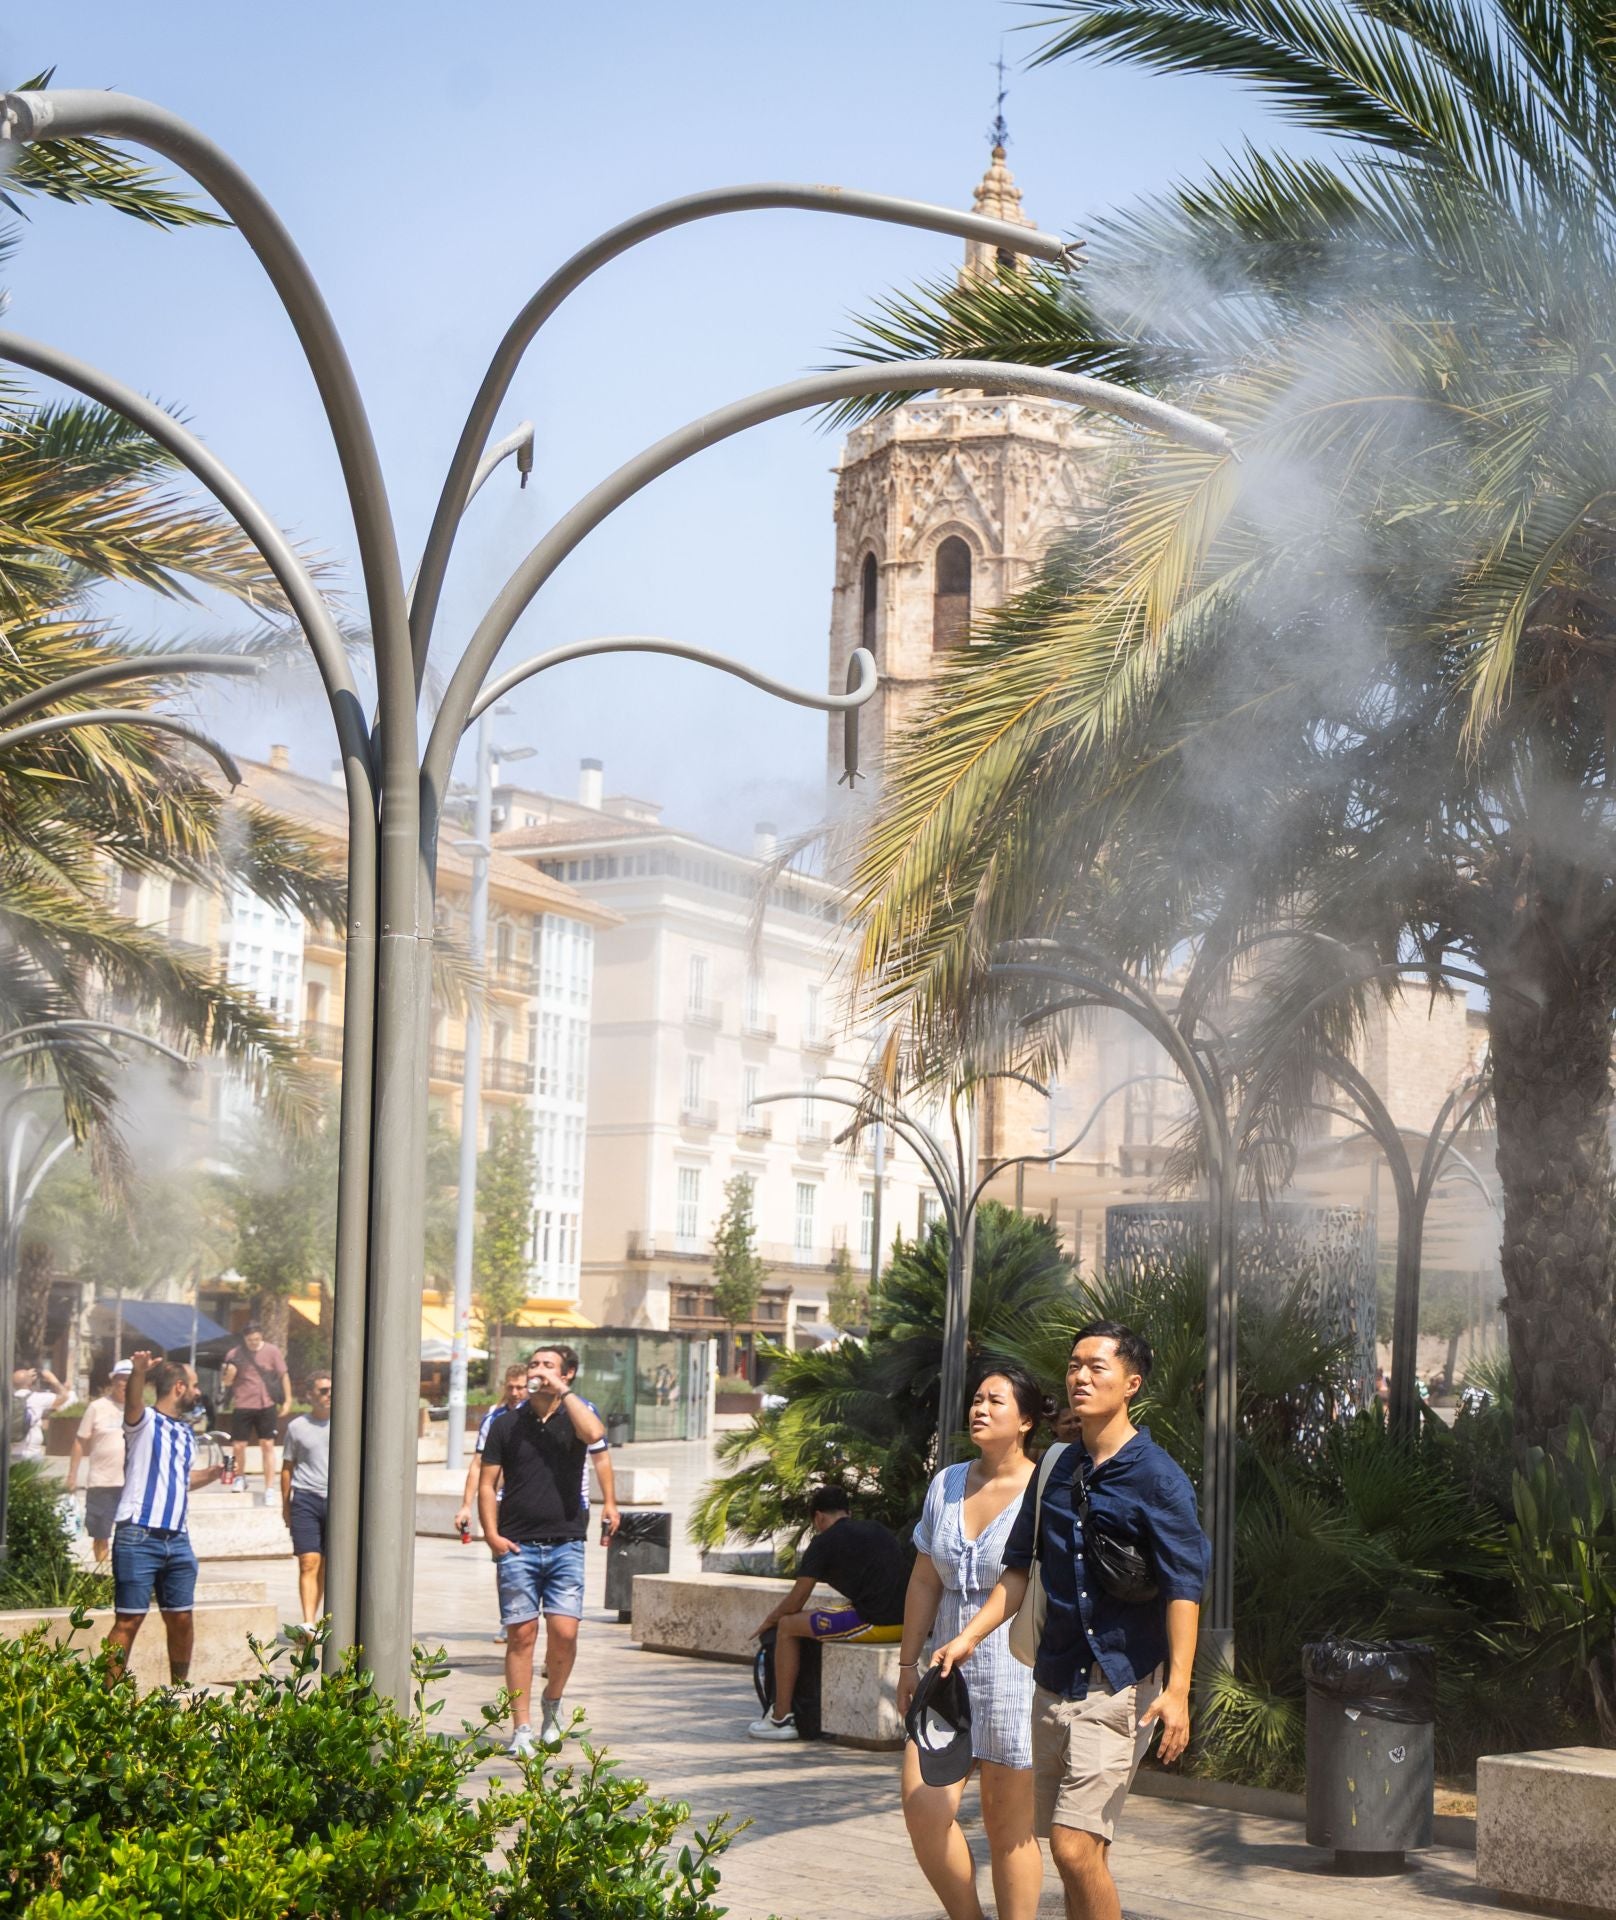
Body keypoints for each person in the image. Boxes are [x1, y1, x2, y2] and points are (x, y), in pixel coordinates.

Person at [931, 1322, 1209, 1920]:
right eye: (1074, 1365)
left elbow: (1185, 1585)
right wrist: (967, 1638)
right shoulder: (1055, 1468)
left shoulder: (1158, 1478)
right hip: (1052, 1681)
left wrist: (1180, 1689)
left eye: (1097, 1367)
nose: (1081, 1377)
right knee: (1070, 1853)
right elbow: (1017, 1574)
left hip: (1119, 1685)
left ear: (1131, 1384)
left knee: (1075, 1846)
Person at [897, 1366, 1043, 1920]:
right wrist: (908, 1662)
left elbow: (1024, 1581)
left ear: (1025, 1420)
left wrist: (968, 1638)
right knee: (924, 1808)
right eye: (976, 1399)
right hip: (944, 1671)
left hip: (1015, 1669)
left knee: (1009, 1831)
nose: (979, 1408)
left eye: (995, 1401)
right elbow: (924, 1577)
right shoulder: (948, 1483)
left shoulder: (1040, 1489)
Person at [479, 1345, 607, 1755]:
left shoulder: (576, 1417)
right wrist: (492, 1535)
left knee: (565, 1633)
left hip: (566, 1542)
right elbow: (487, 1483)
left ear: (566, 1375)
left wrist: (563, 1394)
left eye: (548, 1366)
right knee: (521, 1635)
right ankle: (522, 1729)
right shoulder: (506, 1424)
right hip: (518, 1545)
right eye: (534, 1364)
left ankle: (552, 1701)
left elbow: (595, 1436)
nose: (538, 1371)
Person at [456, 1358, 618, 1645]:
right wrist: (471, 1510)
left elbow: (599, 1450)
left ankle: (553, 1659)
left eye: (521, 1386)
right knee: (510, 1581)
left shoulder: (579, 1412)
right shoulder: (499, 1421)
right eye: (512, 1387)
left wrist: (609, 1501)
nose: (517, 1392)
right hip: (515, 1514)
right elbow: (481, 1469)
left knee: (564, 1627)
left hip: (569, 1511)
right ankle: (512, 1619)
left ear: (566, 1375)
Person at [748, 1484, 908, 1741]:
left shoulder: (823, 1542)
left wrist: (769, 1621)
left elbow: (797, 1599)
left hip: (877, 1622)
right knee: (810, 1617)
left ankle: (780, 1718)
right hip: (908, 1622)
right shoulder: (877, 1529)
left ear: (819, 1517)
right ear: (848, 1512)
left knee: (788, 1626)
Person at [105, 1349, 225, 1685]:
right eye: (195, 1385)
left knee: (182, 1618)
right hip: (139, 1534)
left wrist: (211, 1475)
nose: (198, 1391)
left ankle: (179, 1688)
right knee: (129, 1620)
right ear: (178, 1388)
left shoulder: (186, 1433)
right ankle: (106, 1698)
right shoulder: (144, 1422)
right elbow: (132, 1404)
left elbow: (182, 1479)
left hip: (178, 1538)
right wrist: (138, 1372)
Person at [280, 1371, 332, 1637]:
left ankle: (319, 1619)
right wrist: (285, 1505)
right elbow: (287, 1467)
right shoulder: (297, 1427)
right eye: (322, 1390)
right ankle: (308, 1622)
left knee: (326, 1564)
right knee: (309, 1560)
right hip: (305, 1498)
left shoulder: (347, 1423)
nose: (328, 1395)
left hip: (337, 1501)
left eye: (331, 1390)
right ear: (310, 1395)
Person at [66, 1361, 131, 1566]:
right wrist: (72, 1475)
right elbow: (79, 1441)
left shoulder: (140, 1411)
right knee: (101, 1533)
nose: (126, 1384)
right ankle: (103, 1574)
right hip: (102, 1481)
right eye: (122, 1379)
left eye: (131, 1379)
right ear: (113, 1381)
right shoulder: (97, 1408)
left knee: (129, 1534)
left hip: (131, 1482)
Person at [220, 1324, 291, 1496]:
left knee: (267, 1444)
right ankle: (240, 1477)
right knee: (238, 1445)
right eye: (250, 1340)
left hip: (266, 1403)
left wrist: (288, 1400)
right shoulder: (234, 1353)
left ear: (262, 1337)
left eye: (257, 1339)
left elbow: (283, 1375)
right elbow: (227, 1382)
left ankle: (269, 1487)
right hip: (243, 1403)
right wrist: (229, 1373)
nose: (253, 1342)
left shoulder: (272, 1351)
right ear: (244, 1339)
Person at [13, 1362, 69, 1461]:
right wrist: (52, 1378)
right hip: (32, 1453)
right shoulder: (37, 1398)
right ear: (30, 1382)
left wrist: (25, 1376)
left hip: (10, 1453)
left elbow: (18, 1381)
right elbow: (64, 1397)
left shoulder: (8, 1399)